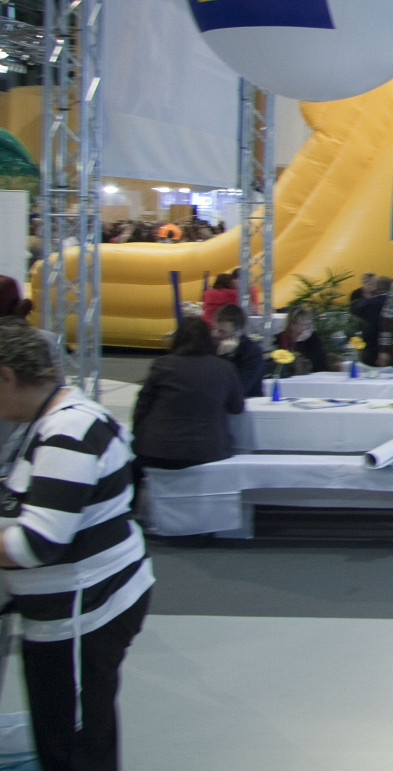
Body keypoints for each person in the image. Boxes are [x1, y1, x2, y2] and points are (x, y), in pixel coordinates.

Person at [0, 318, 153, 771]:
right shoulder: (52, 422)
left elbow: (35, 544)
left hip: (83, 613)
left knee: (74, 745)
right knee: (65, 733)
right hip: (72, 608)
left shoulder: (67, 432)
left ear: (6, 377)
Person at [132, 316, 242, 477]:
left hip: (159, 450)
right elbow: (237, 407)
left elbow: (142, 407)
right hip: (208, 451)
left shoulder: (162, 364)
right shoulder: (225, 368)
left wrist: (138, 436)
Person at [211, 304, 264, 397]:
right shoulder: (212, 346)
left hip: (248, 402)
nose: (216, 335)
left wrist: (224, 357)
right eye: (215, 330)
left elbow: (239, 389)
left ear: (238, 332)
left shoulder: (252, 352)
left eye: (222, 332)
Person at [274, 306, 329, 377]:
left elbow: (318, 364)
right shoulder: (281, 338)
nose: (309, 328)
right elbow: (280, 362)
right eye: (305, 325)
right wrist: (298, 342)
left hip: (312, 376)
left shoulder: (313, 338)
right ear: (292, 325)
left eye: (310, 324)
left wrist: (301, 342)